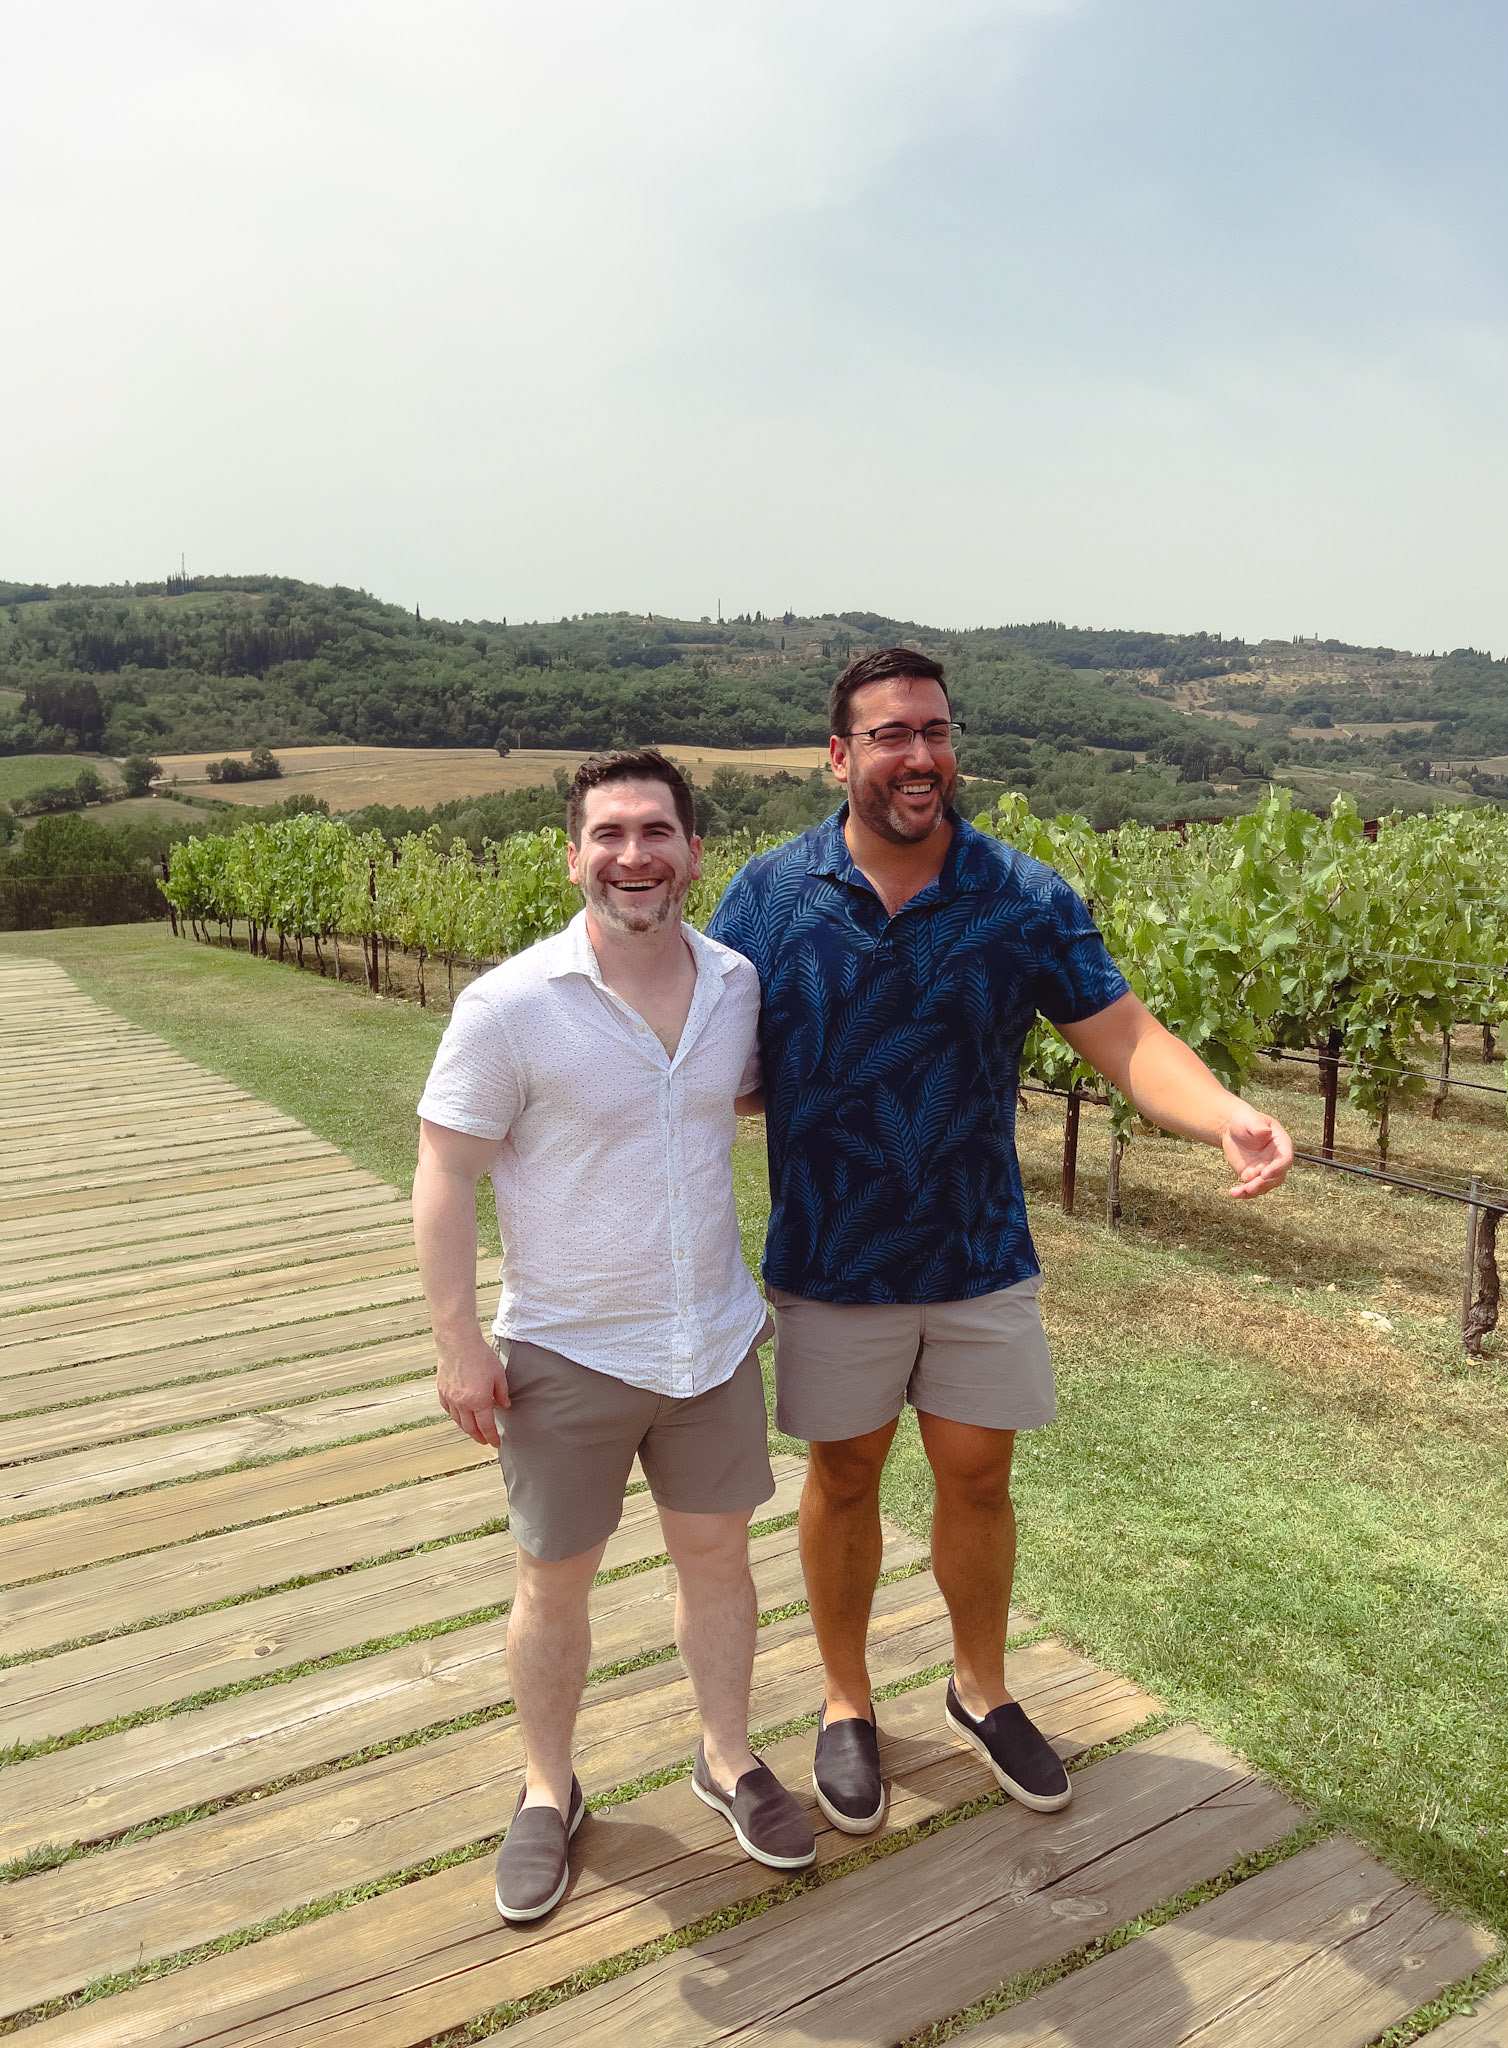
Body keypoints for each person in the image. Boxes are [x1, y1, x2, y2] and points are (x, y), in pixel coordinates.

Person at [709, 648, 1293, 1834]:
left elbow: (1124, 1036)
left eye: (935, 729)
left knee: (980, 1474)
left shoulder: (1022, 894)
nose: (919, 755)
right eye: (889, 734)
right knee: (845, 1474)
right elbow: (700, 1058)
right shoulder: (768, 896)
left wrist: (1227, 1109)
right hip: (833, 1257)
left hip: (978, 1252)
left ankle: (980, 1689)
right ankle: (845, 1701)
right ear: (840, 755)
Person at [414, 748, 814, 1926]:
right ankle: (548, 1789)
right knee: (553, 1582)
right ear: (574, 852)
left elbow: (725, 1099)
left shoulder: (737, 980)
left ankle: (727, 1755)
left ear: (695, 851)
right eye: (608, 834)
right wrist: (454, 1343)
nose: (632, 855)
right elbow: (443, 1174)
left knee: (719, 1562)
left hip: (713, 1341)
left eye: (655, 831)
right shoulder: (509, 1005)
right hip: (566, 1352)